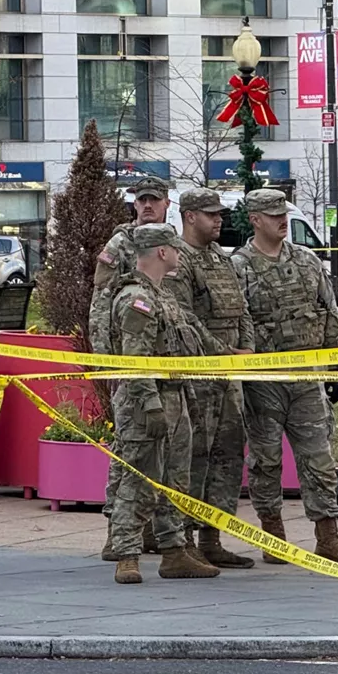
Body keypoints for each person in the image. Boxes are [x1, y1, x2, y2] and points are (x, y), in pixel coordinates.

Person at [232, 189, 338, 566]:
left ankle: (328, 537)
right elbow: (237, 323)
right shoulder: (239, 267)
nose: (282, 220)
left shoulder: (307, 261)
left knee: (319, 459)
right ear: (255, 219)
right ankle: (273, 536)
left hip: (306, 381)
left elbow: (327, 311)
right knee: (266, 462)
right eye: (273, 215)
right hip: (263, 384)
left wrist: (336, 365)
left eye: (283, 213)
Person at [109, 226, 221, 584]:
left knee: (175, 481)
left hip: (176, 397)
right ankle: (126, 554)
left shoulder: (163, 295)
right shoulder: (137, 299)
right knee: (139, 479)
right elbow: (135, 359)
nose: (179, 253)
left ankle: (174, 552)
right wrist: (151, 405)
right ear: (161, 251)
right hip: (146, 402)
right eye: (175, 248)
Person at [163, 188, 256, 569]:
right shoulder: (178, 260)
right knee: (193, 457)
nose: (219, 220)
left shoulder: (221, 258)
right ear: (189, 216)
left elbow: (242, 308)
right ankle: (183, 541)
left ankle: (212, 537)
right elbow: (184, 319)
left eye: (220, 214)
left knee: (228, 455)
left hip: (229, 375)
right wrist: (224, 352)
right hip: (199, 375)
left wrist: (246, 348)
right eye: (211, 214)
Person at [91, 174, 174, 562]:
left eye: (153, 200)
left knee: (163, 453)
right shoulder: (121, 244)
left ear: (167, 203)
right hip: (129, 359)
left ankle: (153, 529)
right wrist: (108, 361)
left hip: (166, 363)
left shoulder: (171, 244)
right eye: (141, 200)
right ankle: (118, 530)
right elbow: (101, 302)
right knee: (129, 447)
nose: (147, 206)